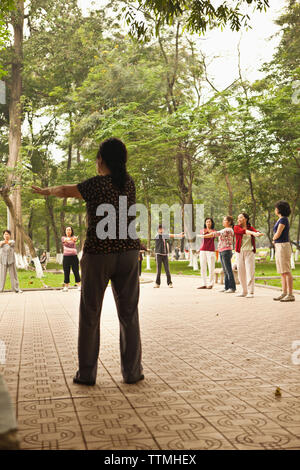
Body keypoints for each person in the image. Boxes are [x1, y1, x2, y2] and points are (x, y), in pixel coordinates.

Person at [32, 137, 143, 386]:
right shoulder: (129, 182)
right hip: (127, 252)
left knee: (90, 314)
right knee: (129, 314)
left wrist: (46, 191)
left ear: (101, 160)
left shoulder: (95, 185)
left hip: (99, 254)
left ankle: (87, 374)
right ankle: (133, 372)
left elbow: (64, 190)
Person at [200, 216, 236, 293]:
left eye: (224, 220)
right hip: (222, 250)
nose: (223, 221)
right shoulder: (226, 230)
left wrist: (203, 236)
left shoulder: (228, 230)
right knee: (225, 270)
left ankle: (232, 287)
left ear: (229, 222)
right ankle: (226, 287)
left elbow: (215, 234)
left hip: (226, 250)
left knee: (228, 270)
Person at [234, 213, 264, 298]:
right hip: (239, 252)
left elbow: (256, 232)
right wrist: (254, 233)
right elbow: (243, 232)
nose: (238, 219)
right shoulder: (236, 227)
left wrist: (258, 233)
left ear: (245, 219)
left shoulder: (251, 228)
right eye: (238, 218)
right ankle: (244, 291)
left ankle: (251, 292)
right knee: (241, 272)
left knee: (250, 271)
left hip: (249, 252)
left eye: (240, 217)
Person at [272, 200, 295, 302]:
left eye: (276, 208)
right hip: (279, 246)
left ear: (279, 209)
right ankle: (284, 292)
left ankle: (290, 294)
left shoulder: (283, 220)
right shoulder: (280, 219)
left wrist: (273, 238)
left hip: (283, 246)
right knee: (282, 271)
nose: (275, 210)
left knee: (286, 270)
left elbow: (278, 233)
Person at [197, 218, 217, 289]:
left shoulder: (214, 231)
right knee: (203, 267)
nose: (208, 223)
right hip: (203, 250)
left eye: (209, 222)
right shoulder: (202, 230)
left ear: (212, 223)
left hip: (210, 250)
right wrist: (198, 248)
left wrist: (204, 235)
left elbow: (211, 235)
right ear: (205, 223)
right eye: (207, 222)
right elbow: (202, 237)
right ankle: (204, 283)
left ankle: (211, 283)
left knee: (211, 267)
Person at [62, 227, 81, 292]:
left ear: (71, 231)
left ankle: (79, 285)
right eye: (67, 230)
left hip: (74, 257)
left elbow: (73, 240)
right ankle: (66, 287)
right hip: (66, 257)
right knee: (66, 272)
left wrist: (72, 239)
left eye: (69, 230)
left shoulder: (74, 237)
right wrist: (71, 240)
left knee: (76, 271)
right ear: (65, 231)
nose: (68, 231)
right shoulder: (63, 238)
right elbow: (65, 240)